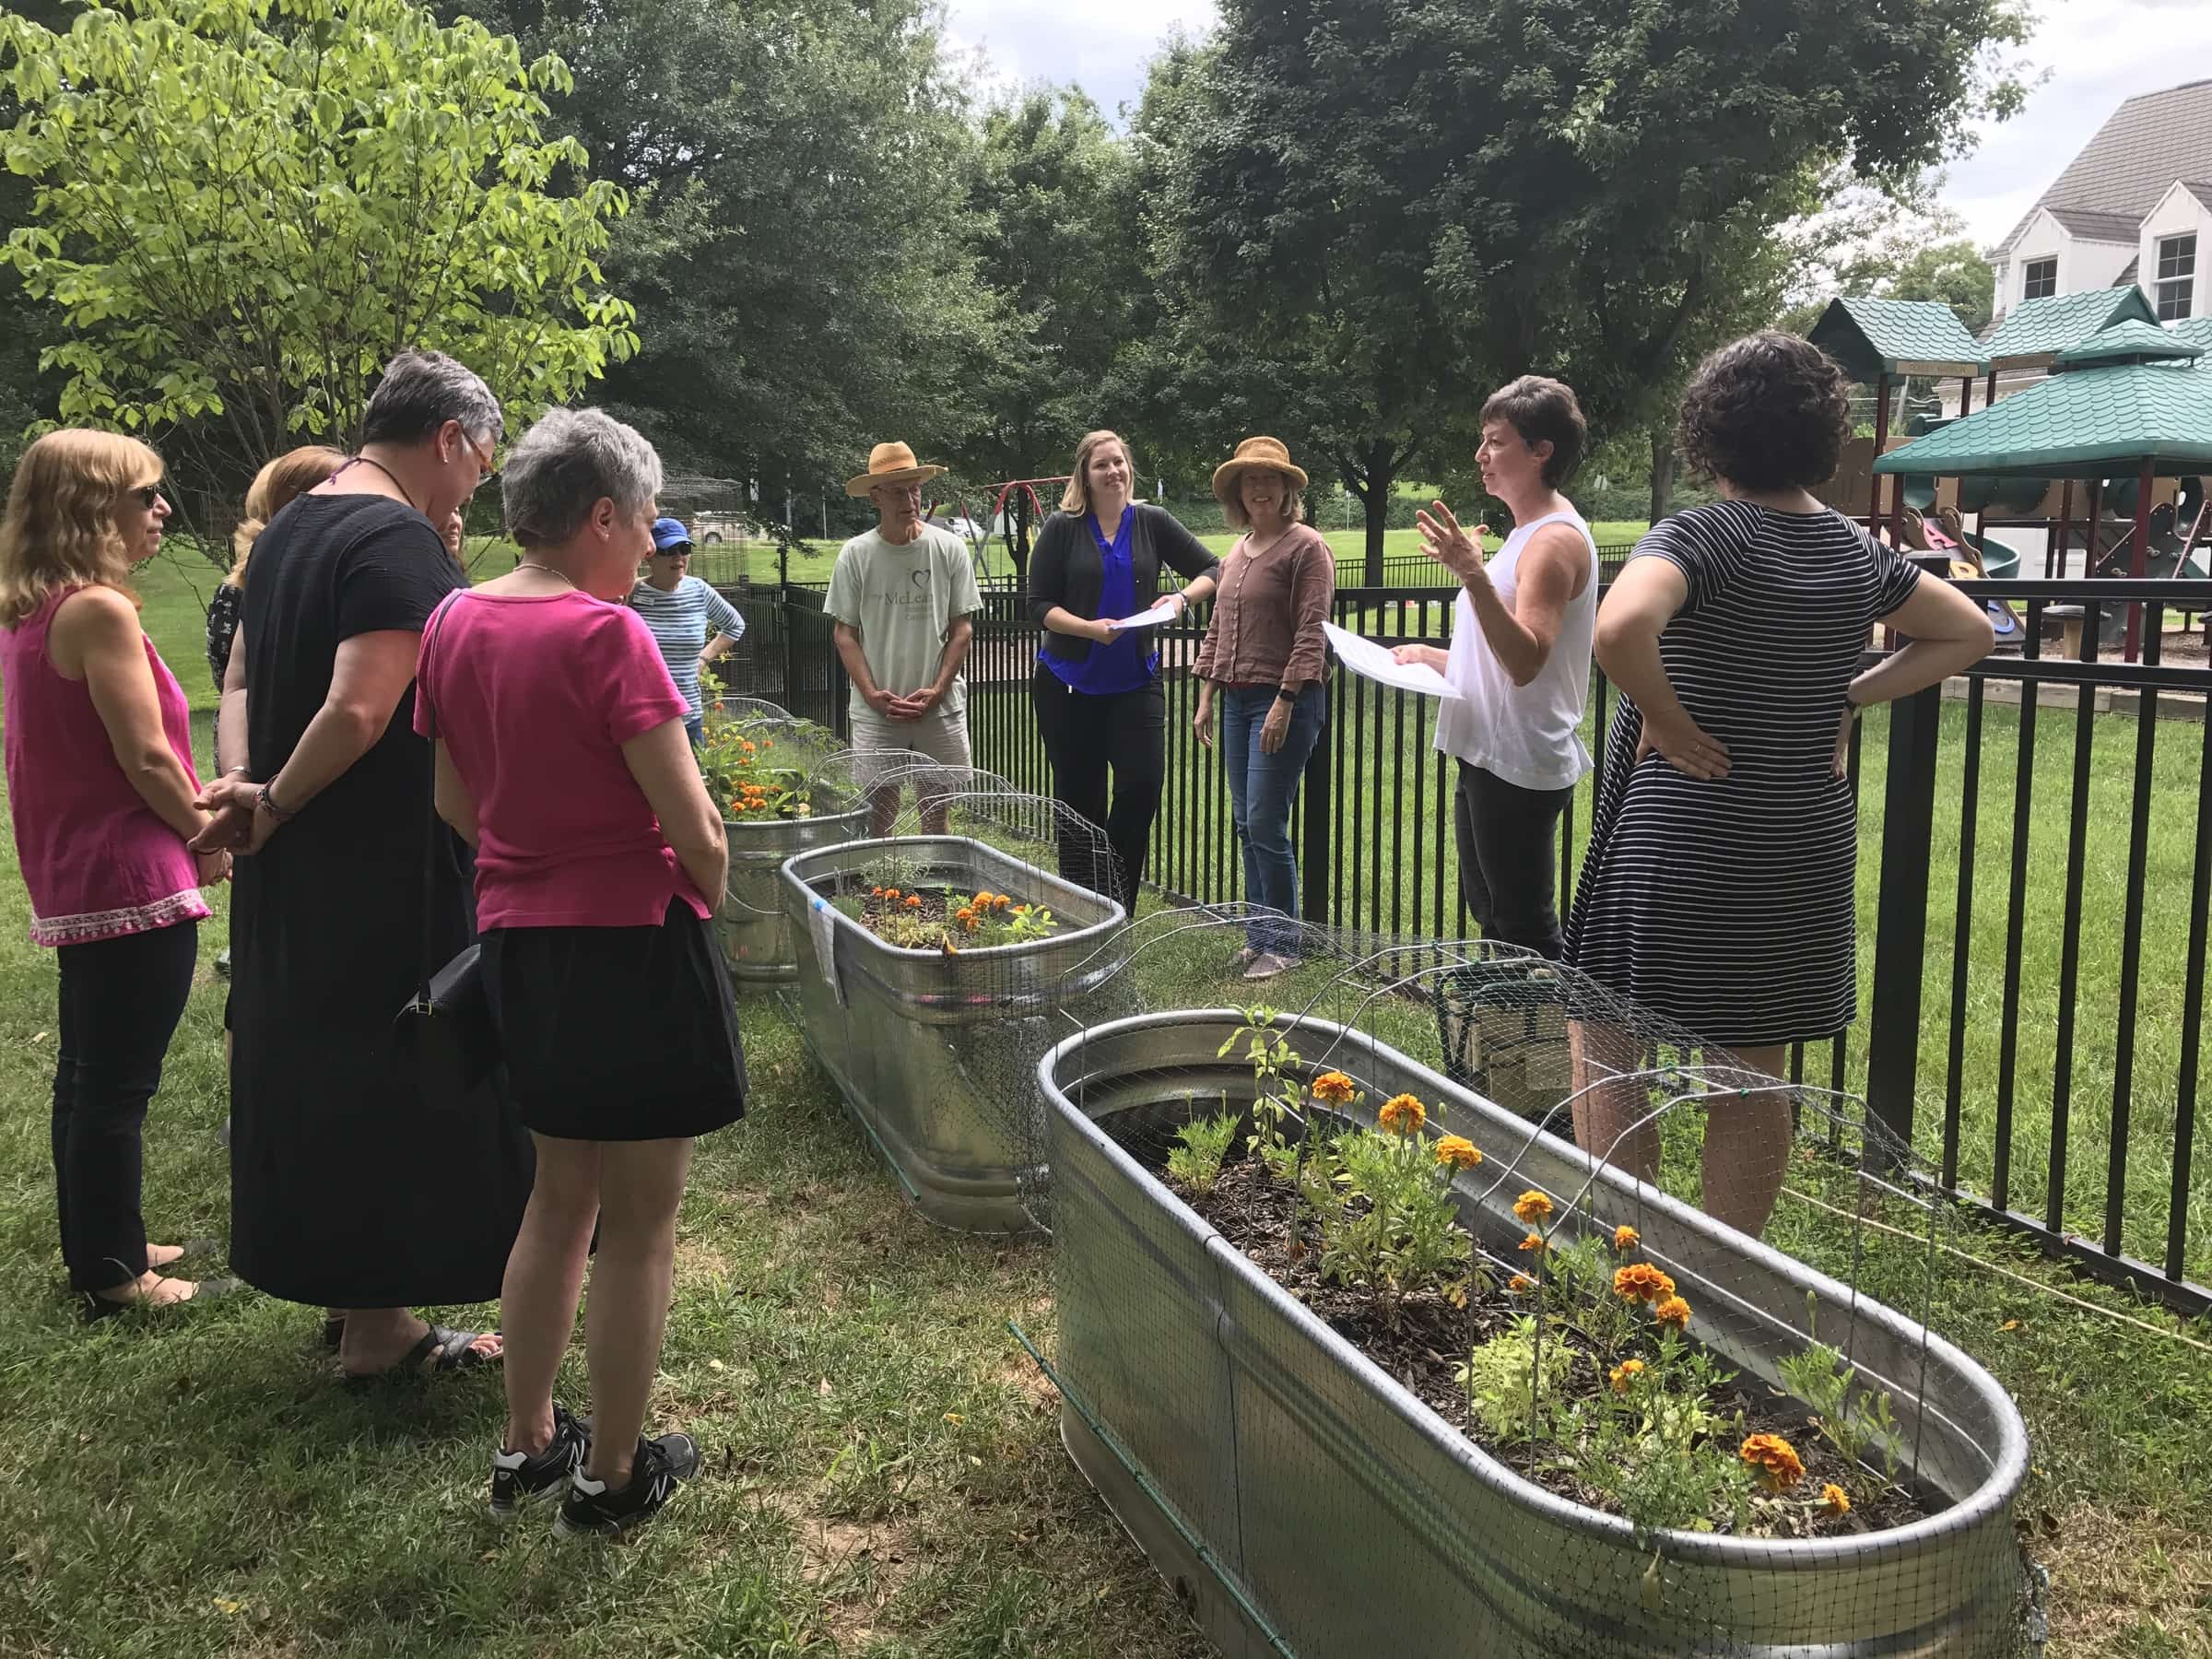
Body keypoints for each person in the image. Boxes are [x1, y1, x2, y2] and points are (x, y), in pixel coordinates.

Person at [1565, 332, 1994, 1236]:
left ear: (1708, 430)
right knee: (1752, 1067)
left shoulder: (1699, 534)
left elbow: (1619, 630)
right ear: (1822, 434)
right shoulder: (1852, 550)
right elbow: (1967, 631)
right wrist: (1850, 696)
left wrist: (1671, 724)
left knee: (1607, 1043)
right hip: (1796, 833)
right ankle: (1726, 1293)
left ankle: (1627, 1269)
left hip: (1679, 831)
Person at [416, 407, 739, 1538]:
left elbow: (454, 800)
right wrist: (709, 878)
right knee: (642, 1227)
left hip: (522, 950)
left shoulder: (453, 622)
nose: (653, 545)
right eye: (646, 523)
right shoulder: (611, 637)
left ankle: (527, 1441)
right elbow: (690, 821)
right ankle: (610, 1475)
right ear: (601, 516)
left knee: (558, 1201)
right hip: (636, 946)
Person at [194, 348, 533, 1377]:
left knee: (325, 1064)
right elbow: (360, 705)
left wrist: (247, 791)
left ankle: (359, 1302)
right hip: (377, 860)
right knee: (399, 1067)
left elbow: (242, 675)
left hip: (296, 859)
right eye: (481, 460)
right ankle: (380, 1330)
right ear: (447, 440)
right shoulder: (393, 538)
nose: (479, 482)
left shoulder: (296, 523)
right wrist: (279, 803)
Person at [0, 430, 233, 1316]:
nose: (162, 509)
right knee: (116, 1083)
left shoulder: (33, 610)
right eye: (145, 495)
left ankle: (107, 1238)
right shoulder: (98, 609)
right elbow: (146, 756)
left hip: (78, 868)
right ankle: (112, 1272)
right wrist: (212, 832)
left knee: (87, 1072)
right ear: (93, 508)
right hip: (127, 874)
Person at [1391, 377, 1596, 959]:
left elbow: (1527, 660)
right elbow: (1497, 654)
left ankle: (1550, 1044)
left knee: (1526, 932)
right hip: (1487, 752)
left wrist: (1472, 575)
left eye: (1495, 442)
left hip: (1518, 763)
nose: (1481, 456)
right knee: (1496, 917)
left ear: (1541, 451)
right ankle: (1509, 1045)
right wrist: (1431, 657)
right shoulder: (1524, 535)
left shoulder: (1553, 542)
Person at [1028, 429, 1219, 912]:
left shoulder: (1151, 521)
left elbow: (1213, 569)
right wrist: (1088, 629)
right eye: (1101, 465)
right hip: (1068, 685)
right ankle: (1081, 911)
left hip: (1136, 681)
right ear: (1085, 476)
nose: (1113, 471)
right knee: (1078, 800)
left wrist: (1180, 597)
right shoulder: (1062, 527)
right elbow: (1039, 605)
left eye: (1119, 462)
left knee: (1141, 785)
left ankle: (1114, 902)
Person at [1193, 437, 1334, 979]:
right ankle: (1259, 936)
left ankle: (1283, 944)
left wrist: (1285, 701)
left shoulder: (1306, 547)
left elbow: (1311, 632)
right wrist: (1205, 695)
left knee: (1264, 820)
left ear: (1286, 488)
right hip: (1235, 700)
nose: (1259, 488)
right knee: (1244, 823)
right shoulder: (1239, 549)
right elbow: (1218, 628)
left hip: (1285, 700)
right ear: (1238, 492)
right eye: (1249, 480)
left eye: (1269, 478)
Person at [826, 442, 982, 835]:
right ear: (875, 496)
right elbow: (845, 633)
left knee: (937, 814)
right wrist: (872, 694)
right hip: (878, 711)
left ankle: (935, 892)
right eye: (897, 491)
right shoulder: (856, 554)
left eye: (914, 488)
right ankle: (884, 892)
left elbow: (961, 628)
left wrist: (938, 690)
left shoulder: (948, 548)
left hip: (940, 708)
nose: (910, 499)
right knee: (878, 817)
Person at [628, 517, 745, 746]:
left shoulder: (698, 590)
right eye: (669, 550)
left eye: (684, 548)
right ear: (649, 555)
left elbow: (734, 625)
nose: (678, 557)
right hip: (646, 718)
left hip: (689, 714)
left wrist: (703, 658)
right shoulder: (631, 593)